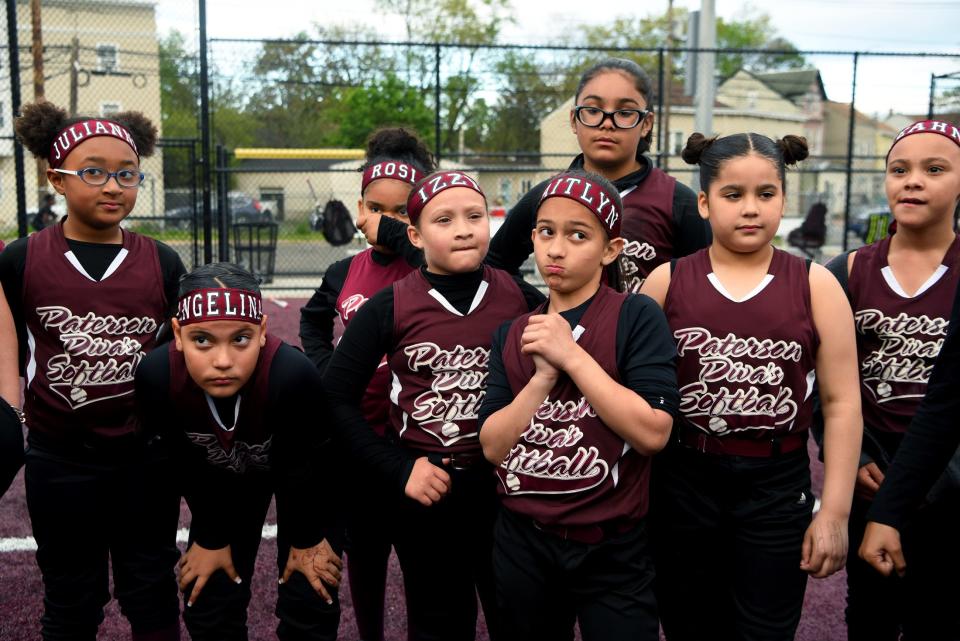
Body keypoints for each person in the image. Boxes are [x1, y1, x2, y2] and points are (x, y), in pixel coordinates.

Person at [641, 132, 862, 641]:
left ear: (784, 198)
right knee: (688, 623)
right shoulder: (665, 282)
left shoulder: (815, 283)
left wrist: (834, 512)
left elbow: (842, 403)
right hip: (683, 479)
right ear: (703, 202)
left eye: (766, 194)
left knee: (765, 628)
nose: (750, 209)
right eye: (733, 194)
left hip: (776, 486)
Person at [323, 170, 543, 641]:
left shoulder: (520, 297)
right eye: (444, 219)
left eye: (475, 216)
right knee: (440, 621)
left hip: (507, 489)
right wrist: (399, 468)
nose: (463, 228)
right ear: (416, 236)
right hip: (429, 490)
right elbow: (336, 399)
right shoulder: (390, 305)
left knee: (518, 615)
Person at [0, 101, 186, 640]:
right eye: (94, 171)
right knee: (70, 600)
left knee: (151, 592)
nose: (112, 186)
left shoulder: (161, 261)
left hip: (143, 460)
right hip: (59, 460)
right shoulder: (22, 259)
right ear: (57, 179)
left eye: (126, 174)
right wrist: (12, 414)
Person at [477, 170, 678, 641]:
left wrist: (572, 356)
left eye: (578, 235)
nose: (557, 248)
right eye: (546, 232)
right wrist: (543, 378)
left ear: (610, 249)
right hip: (523, 540)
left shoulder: (635, 315)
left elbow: (653, 433)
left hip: (612, 548)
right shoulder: (512, 332)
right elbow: (491, 446)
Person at [358, 58, 710, 294]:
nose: (606, 121)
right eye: (593, 109)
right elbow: (493, 265)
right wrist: (534, 306)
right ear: (573, 119)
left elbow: (707, 284)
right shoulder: (546, 196)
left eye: (625, 112)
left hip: (642, 363)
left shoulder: (676, 202)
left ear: (646, 123)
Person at [136, 262, 343, 641]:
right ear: (178, 334)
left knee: (311, 595)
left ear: (263, 332)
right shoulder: (156, 375)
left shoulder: (292, 373)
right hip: (217, 481)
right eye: (203, 340)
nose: (223, 360)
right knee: (208, 601)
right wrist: (211, 536)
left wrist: (306, 536)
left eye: (240, 339)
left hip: (303, 477)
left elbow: (314, 465)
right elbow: (176, 463)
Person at [300, 127, 435, 641]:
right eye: (375, 208)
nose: (384, 221)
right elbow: (313, 321)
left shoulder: (431, 269)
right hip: (358, 444)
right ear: (359, 205)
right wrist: (324, 365)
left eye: (401, 211)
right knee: (366, 558)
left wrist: (400, 233)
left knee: (425, 567)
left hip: (418, 445)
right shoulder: (344, 269)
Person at [849, 119, 960, 640]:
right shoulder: (847, 271)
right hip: (871, 476)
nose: (912, 180)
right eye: (900, 169)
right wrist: (857, 455)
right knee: (868, 612)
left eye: (934, 169)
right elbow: (827, 386)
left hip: (947, 482)